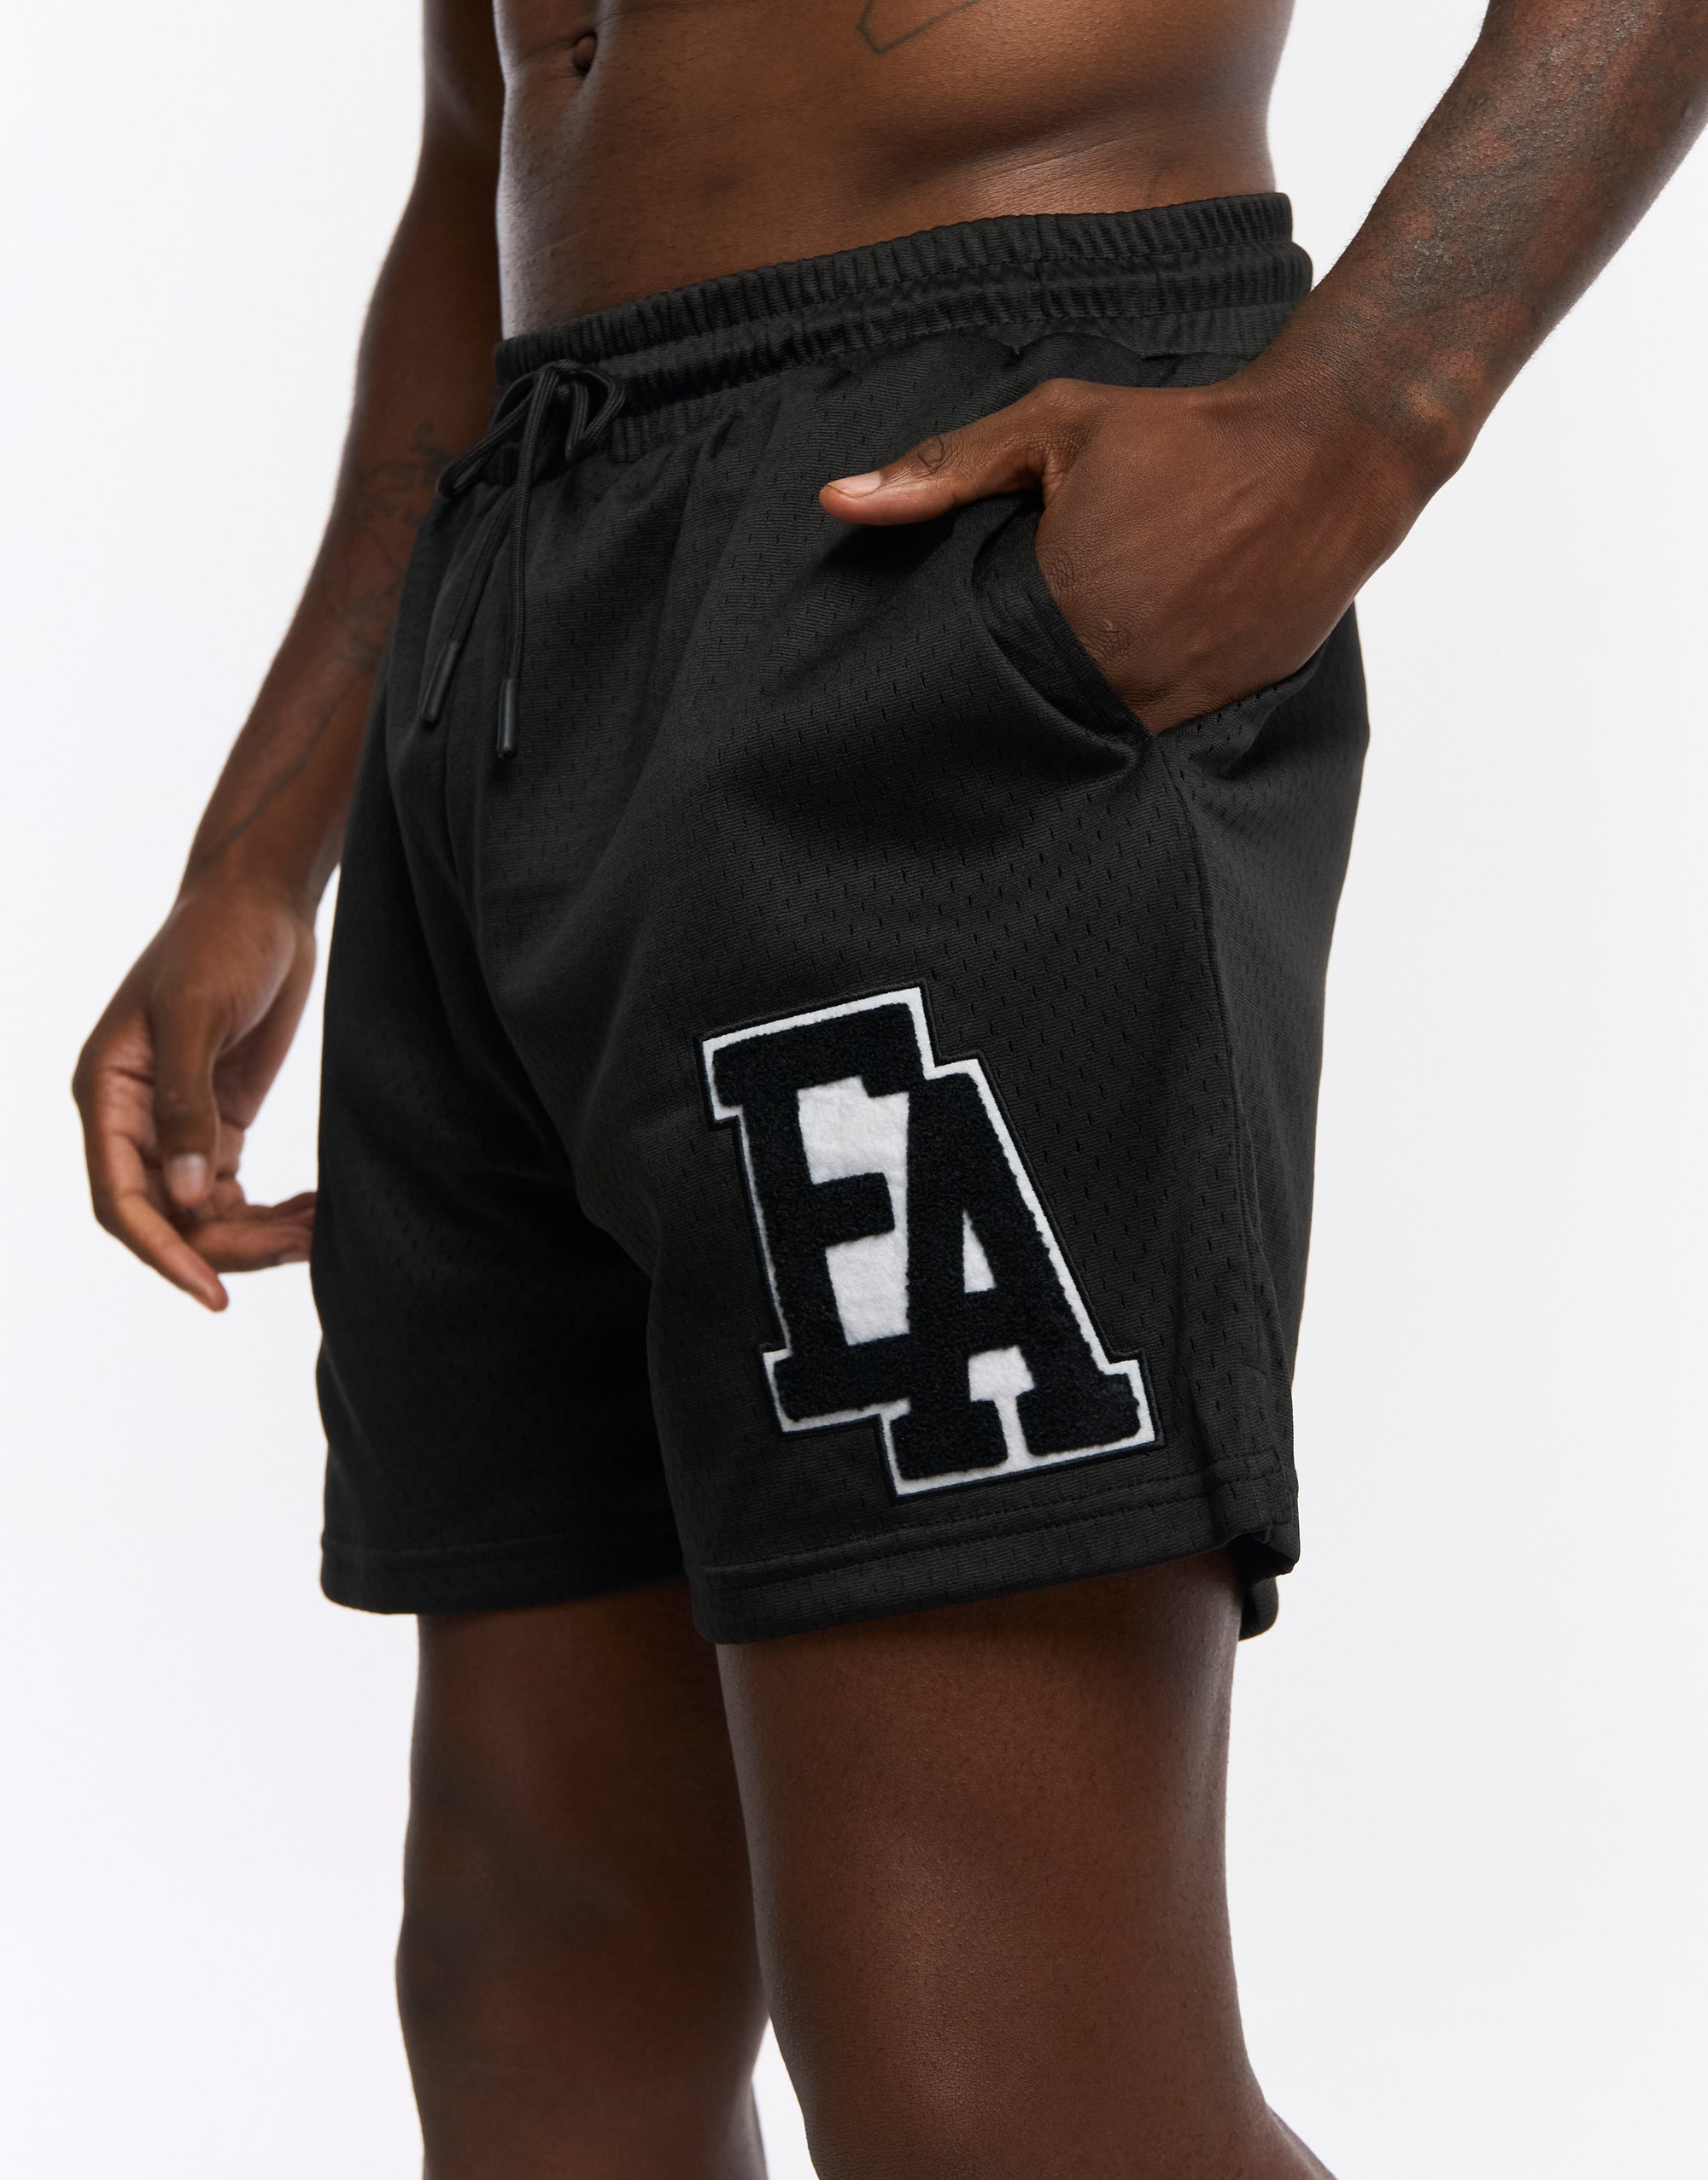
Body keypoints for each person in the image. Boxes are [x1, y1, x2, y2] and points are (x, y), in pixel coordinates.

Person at [71, 3, 1707, 2172]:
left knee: (989, 2085)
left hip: (944, 509)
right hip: (520, 607)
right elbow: (487, 144)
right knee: (533, 1983)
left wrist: (1365, 411)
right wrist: (262, 843)